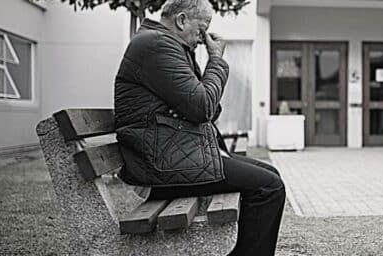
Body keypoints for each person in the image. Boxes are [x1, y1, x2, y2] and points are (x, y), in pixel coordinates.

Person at [113, 0, 285, 255]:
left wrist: (199, 99)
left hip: (171, 154)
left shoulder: (167, 45)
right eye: (201, 30)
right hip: (162, 163)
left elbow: (206, 110)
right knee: (269, 187)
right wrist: (216, 60)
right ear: (181, 20)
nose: (203, 38)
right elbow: (202, 106)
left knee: (270, 174)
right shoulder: (157, 45)